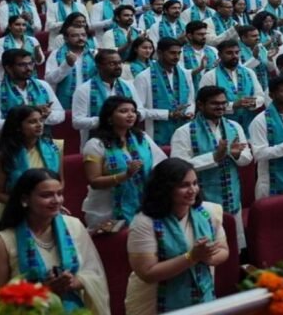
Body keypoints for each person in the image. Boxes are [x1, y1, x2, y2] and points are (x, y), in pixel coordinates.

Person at [0, 168, 110, 313]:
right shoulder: (1, 241)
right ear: (25, 199)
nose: (56, 200)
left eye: (59, 194)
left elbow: (94, 272)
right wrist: (44, 290)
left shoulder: (73, 225)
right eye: (46, 195)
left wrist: (72, 283)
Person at [125, 158, 228, 314]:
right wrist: (192, 257)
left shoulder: (207, 212)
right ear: (165, 188)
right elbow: (147, 273)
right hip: (155, 302)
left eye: (194, 183)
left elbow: (223, 250)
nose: (192, 190)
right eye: (184, 185)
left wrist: (207, 257)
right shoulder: (144, 223)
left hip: (202, 297)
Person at [170, 86, 252, 246]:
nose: (220, 107)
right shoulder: (184, 132)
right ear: (200, 105)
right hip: (200, 198)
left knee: (233, 245)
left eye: (223, 103)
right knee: (207, 247)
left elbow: (247, 158)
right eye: (215, 103)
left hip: (231, 194)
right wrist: (214, 157)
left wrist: (235, 155)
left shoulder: (234, 127)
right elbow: (178, 168)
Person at [82, 96, 166, 228]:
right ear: (109, 117)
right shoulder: (95, 145)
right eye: (123, 111)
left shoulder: (142, 138)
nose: (130, 115)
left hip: (143, 202)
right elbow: (94, 182)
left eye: (133, 111)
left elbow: (161, 164)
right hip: (108, 209)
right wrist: (125, 175)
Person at [0, 105, 64, 218]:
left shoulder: (54, 147)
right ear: (18, 127)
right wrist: (29, 204)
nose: (39, 125)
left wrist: (52, 201)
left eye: (41, 120)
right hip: (15, 211)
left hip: (48, 207)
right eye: (32, 122)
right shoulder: (4, 155)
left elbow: (60, 181)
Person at [0, 49, 66, 136]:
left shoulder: (43, 86)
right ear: (8, 68)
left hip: (43, 140)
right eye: (22, 65)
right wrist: (24, 120)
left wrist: (43, 116)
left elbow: (60, 114)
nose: (29, 68)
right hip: (11, 142)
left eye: (30, 63)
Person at [133, 37, 195, 146]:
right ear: (159, 53)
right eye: (172, 53)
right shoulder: (143, 77)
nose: (176, 57)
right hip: (154, 134)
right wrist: (168, 114)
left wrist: (189, 112)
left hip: (182, 129)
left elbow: (191, 100)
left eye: (179, 53)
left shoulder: (185, 74)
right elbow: (138, 111)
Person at [73, 49, 141, 148]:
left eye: (119, 63)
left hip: (127, 140)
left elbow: (141, 111)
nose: (118, 67)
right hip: (96, 143)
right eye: (112, 64)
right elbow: (77, 122)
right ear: (99, 66)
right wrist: (109, 120)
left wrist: (128, 116)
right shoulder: (84, 89)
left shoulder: (128, 86)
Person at [198, 39, 264, 133]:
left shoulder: (249, 72)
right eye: (229, 53)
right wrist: (233, 105)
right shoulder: (210, 76)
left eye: (237, 52)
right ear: (220, 55)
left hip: (250, 124)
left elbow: (260, 96)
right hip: (221, 128)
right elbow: (205, 104)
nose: (234, 56)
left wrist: (254, 103)